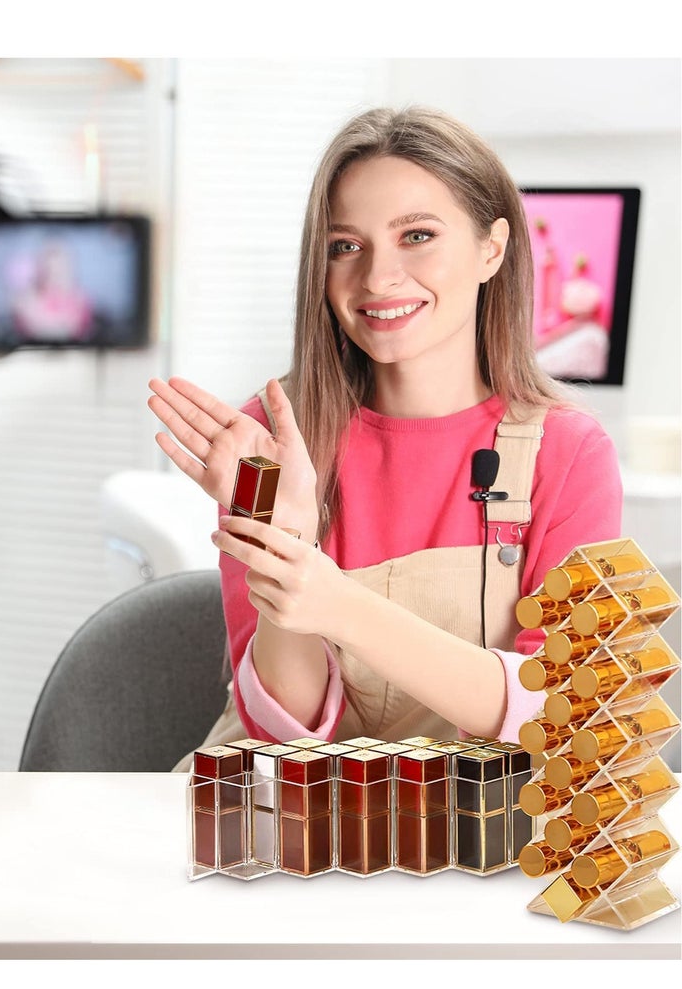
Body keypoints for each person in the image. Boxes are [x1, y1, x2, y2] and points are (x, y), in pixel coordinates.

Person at [147, 105, 622, 766]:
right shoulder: (270, 438)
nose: (376, 278)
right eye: (347, 246)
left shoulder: (568, 454)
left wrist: (336, 601)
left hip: (479, 837)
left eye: (417, 235)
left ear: (493, 248)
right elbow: (283, 739)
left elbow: (559, 715)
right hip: (298, 827)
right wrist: (282, 538)